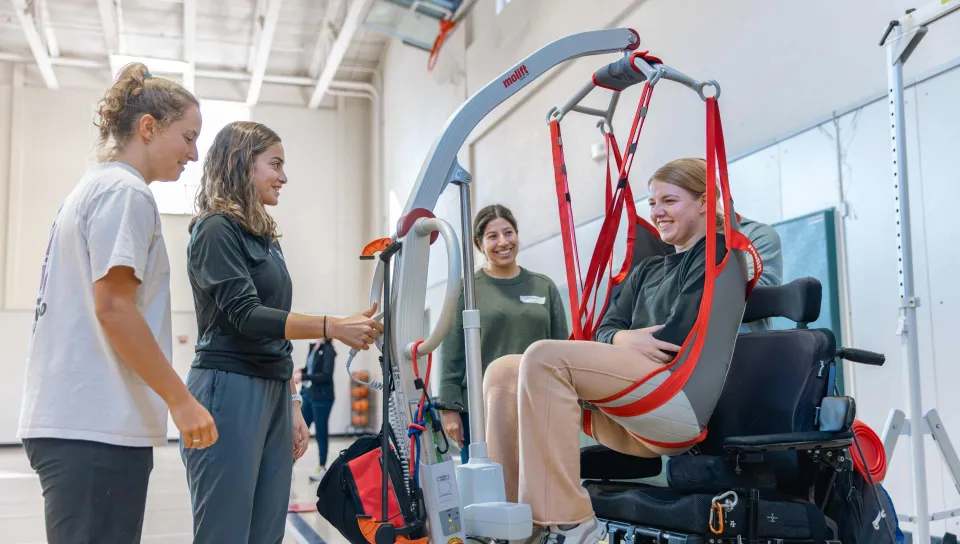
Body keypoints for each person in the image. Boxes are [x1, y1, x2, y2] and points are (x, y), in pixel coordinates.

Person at [483, 158, 732, 544]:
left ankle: (572, 523)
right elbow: (604, 328)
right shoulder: (647, 270)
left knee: (545, 357)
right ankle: (517, 524)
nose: (658, 212)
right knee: (502, 372)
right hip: (627, 413)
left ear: (704, 202)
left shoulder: (717, 255)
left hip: (674, 404)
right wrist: (623, 339)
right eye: (652, 203)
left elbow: (673, 338)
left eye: (669, 200)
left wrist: (618, 337)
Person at [17, 63, 217, 544]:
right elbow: (115, 309)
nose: (193, 153)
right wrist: (181, 400)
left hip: (81, 424)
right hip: (93, 426)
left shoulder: (93, 189)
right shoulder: (125, 192)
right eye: (187, 137)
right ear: (148, 128)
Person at [181, 120, 383, 543]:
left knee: (267, 531)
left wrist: (292, 401)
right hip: (229, 386)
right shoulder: (215, 229)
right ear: (242, 164)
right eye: (274, 164)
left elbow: (277, 324)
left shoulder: (267, 238)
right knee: (226, 531)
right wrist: (331, 325)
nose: (284, 176)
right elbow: (248, 315)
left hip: (272, 388)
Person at [439, 204, 568, 464]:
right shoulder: (469, 290)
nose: (503, 242)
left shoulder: (544, 287)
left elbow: (562, 350)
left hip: (536, 404)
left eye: (508, 233)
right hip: (481, 409)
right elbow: (451, 353)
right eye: (492, 236)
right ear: (479, 243)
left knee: (536, 480)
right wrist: (449, 410)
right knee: (488, 486)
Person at [299, 338, 337, 481]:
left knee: (321, 433)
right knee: (299, 431)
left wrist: (304, 376)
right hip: (309, 395)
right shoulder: (314, 347)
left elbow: (326, 375)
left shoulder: (328, 350)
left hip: (322, 398)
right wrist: (301, 372)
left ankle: (322, 467)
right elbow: (311, 369)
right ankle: (287, 467)